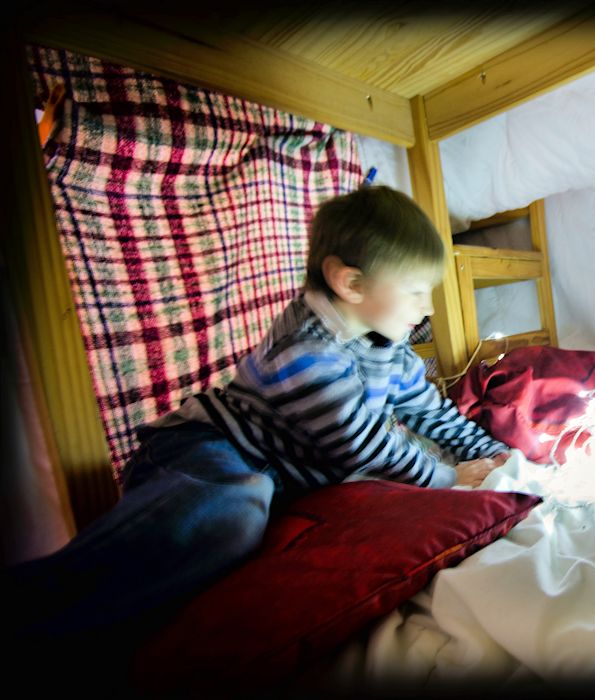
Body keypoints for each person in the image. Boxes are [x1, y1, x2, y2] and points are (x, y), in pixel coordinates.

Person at [2, 185, 510, 687]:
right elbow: (360, 445)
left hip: (269, 476)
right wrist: (446, 477)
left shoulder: (387, 346)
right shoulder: (306, 351)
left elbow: (429, 410)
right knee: (233, 513)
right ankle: (32, 618)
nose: (428, 307)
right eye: (417, 291)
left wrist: (493, 454)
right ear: (350, 283)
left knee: (239, 536)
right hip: (207, 447)